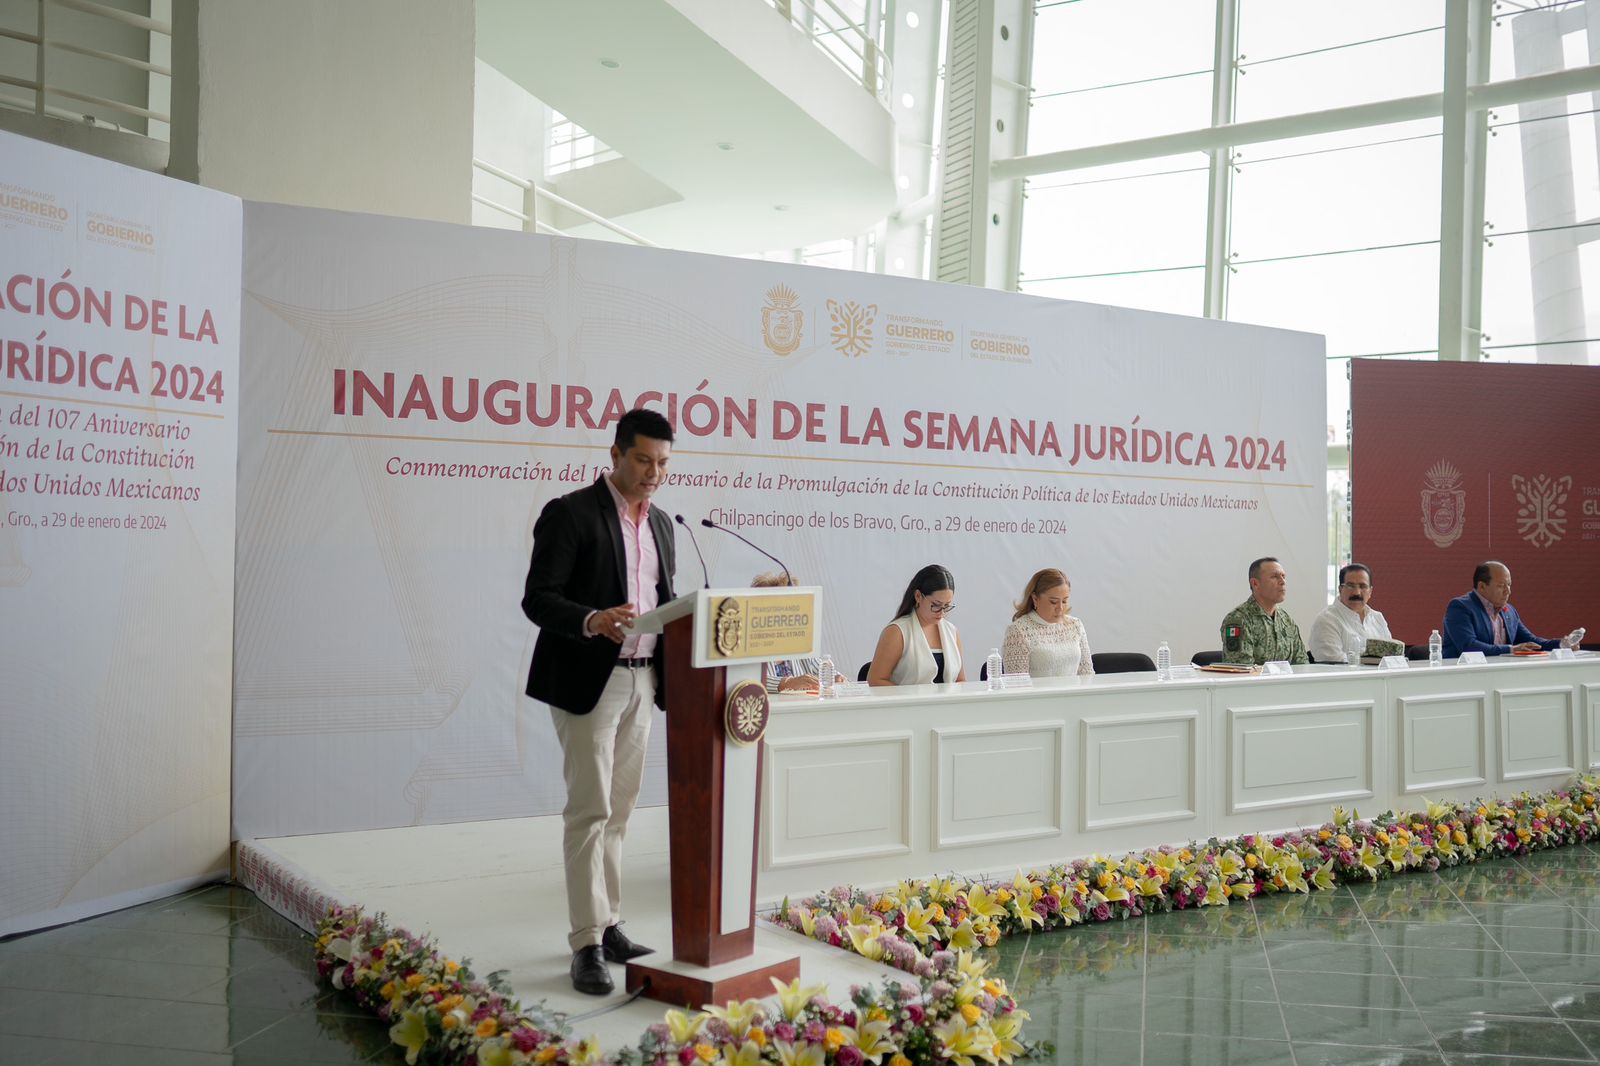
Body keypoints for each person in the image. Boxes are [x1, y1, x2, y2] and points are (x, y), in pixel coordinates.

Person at [520, 408, 676, 996]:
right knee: (590, 810)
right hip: (591, 678)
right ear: (614, 455)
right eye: (643, 460)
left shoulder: (662, 524)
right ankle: (585, 942)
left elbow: (664, 601)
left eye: (663, 463)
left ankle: (609, 925)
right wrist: (591, 619)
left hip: (643, 679)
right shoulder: (570, 513)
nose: (653, 473)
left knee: (620, 810)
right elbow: (538, 599)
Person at [1441, 561, 1582, 658]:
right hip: (1462, 676)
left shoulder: (1509, 611)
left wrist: (1562, 644)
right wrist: (1511, 649)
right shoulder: (1460, 607)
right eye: (1501, 586)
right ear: (1482, 586)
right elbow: (1468, 646)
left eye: (1509, 585)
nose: (1508, 591)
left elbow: (1531, 642)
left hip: (1499, 675)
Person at [867, 564, 965, 686]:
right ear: (918, 596)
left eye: (947, 606)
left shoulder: (952, 631)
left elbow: (960, 681)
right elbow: (876, 680)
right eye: (936, 605)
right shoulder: (897, 632)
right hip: (908, 699)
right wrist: (909, 696)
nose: (942, 612)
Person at [752, 571, 839, 693]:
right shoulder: (750, 648)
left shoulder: (798, 645)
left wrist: (836, 678)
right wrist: (786, 683)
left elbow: (822, 671)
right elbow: (749, 682)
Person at [1000, 568, 1093, 677]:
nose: (1060, 608)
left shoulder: (1075, 625)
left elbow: (1087, 675)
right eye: (1053, 602)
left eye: (1064, 601)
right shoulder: (1018, 631)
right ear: (1035, 598)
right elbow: (1016, 682)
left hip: (1074, 689)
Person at [1220, 557, 1308, 665]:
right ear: (1255, 583)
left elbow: (1302, 664)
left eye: (1283, 576)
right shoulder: (1238, 619)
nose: (1282, 582)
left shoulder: (1286, 620)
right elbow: (1241, 668)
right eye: (1274, 577)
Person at [1308, 563, 1399, 663]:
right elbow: (1333, 663)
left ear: (1370, 591)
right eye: (1350, 586)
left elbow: (1390, 658)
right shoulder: (1326, 620)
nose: (1357, 592)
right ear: (1340, 589)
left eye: (1363, 586)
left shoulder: (1378, 618)